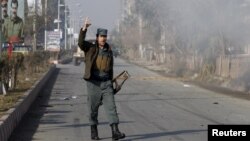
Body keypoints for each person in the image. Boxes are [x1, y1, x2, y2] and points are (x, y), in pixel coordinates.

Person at [78, 17, 126, 140]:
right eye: (101, 36)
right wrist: (84, 29)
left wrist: (112, 83)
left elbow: (110, 68)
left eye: (105, 36)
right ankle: (94, 132)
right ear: (97, 37)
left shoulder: (109, 50)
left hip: (106, 83)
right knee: (92, 109)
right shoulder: (91, 48)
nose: (103, 38)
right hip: (93, 84)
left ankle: (115, 132)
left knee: (111, 108)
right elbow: (80, 43)